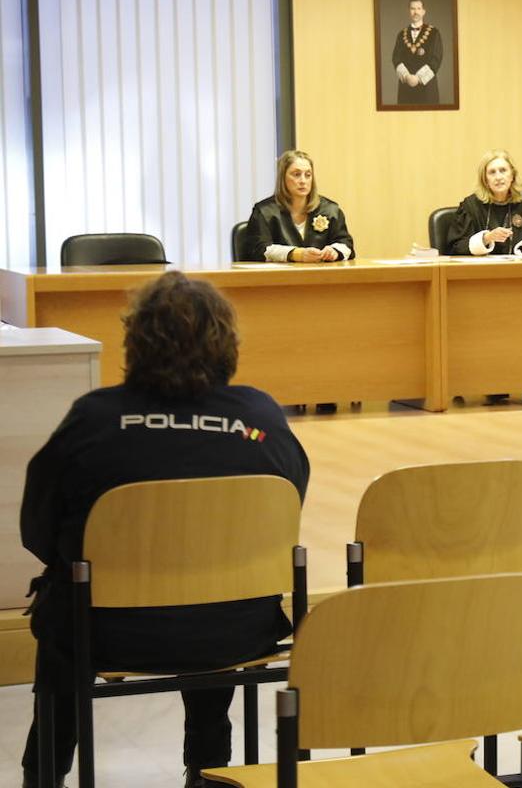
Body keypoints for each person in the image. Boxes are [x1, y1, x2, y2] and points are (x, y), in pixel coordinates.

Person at [19, 272, 310, 788]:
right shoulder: (261, 416)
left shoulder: (94, 419)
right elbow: (285, 514)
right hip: (234, 630)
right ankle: (208, 767)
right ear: (227, 341)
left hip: (106, 633)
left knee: (63, 603)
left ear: (136, 341)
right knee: (215, 581)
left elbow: (38, 531)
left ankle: (45, 773)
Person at [240, 150, 355, 263]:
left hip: (322, 278)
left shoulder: (330, 210)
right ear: (282, 178)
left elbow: (346, 244)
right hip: (280, 279)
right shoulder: (265, 211)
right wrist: (296, 254)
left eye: (308, 175)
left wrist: (334, 251)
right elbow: (258, 249)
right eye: (296, 174)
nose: (303, 181)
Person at [445, 149, 522, 256]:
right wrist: (486, 239)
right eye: (492, 172)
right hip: (480, 271)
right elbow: (456, 247)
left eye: (503, 170)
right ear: (485, 180)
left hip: (517, 270)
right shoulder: (471, 206)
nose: (498, 177)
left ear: (512, 175)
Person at [391, 0, 443, 106]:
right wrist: (406, 76)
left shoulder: (434, 33)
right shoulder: (401, 34)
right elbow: (396, 58)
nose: (416, 12)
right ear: (409, 11)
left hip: (427, 87)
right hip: (406, 88)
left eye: (418, 8)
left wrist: (418, 78)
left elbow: (436, 59)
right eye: (412, 9)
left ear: (423, 11)